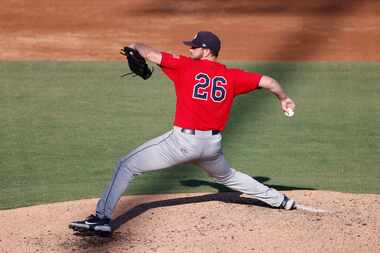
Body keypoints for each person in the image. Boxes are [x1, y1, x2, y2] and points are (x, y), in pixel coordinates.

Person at [69, 31, 297, 234]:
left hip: (181, 143)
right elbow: (269, 81)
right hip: (211, 147)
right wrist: (284, 99)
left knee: (126, 165)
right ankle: (280, 200)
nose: (190, 48)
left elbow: (149, 53)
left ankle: (101, 218)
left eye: (194, 46)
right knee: (229, 177)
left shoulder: (184, 66)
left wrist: (134, 45)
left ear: (206, 50)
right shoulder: (233, 76)